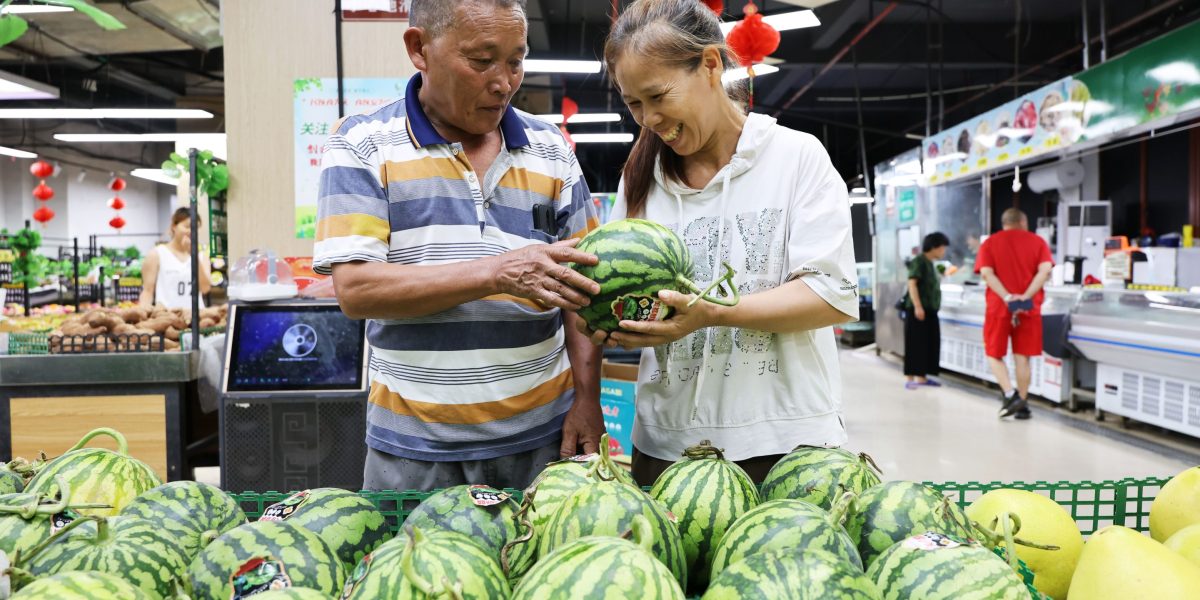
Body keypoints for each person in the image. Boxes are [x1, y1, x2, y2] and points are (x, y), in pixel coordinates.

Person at [313, 0, 605, 491]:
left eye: (515, 60)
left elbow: (584, 287)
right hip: (413, 450)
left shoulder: (551, 149)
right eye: (481, 60)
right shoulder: (362, 145)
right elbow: (357, 290)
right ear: (419, 49)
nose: (503, 82)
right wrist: (496, 273)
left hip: (541, 439)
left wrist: (587, 399)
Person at [593, 0, 859, 486]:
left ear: (711, 65)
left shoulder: (796, 158)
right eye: (634, 103)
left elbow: (830, 295)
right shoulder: (640, 178)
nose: (647, 118)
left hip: (786, 445)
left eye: (658, 95)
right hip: (666, 447)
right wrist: (606, 316)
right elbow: (612, 293)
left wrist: (713, 313)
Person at [976, 208, 1053, 420]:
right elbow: (1045, 270)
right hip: (1028, 309)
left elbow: (986, 273)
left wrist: (1007, 297)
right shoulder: (1038, 242)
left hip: (999, 308)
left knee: (994, 353)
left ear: (1005, 222)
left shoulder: (990, 243)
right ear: (1023, 221)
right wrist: (1025, 297)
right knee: (1023, 357)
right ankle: (1023, 403)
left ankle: (1010, 395)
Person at [139, 207, 211, 309]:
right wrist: (144, 310)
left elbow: (205, 288)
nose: (191, 231)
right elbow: (147, 290)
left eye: (196, 228)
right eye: (187, 227)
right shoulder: (156, 254)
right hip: (167, 318)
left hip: (197, 318)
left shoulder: (202, 256)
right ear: (174, 226)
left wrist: (193, 254)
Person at [904, 232, 949, 389]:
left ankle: (920, 378)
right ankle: (912, 378)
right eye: (942, 247)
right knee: (916, 343)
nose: (944, 251)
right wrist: (917, 306)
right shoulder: (919, 261)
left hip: (929, 310)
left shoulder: (931, 263)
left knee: (926, 343)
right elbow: (912, 283)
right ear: (934, 247)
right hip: (919, 310)